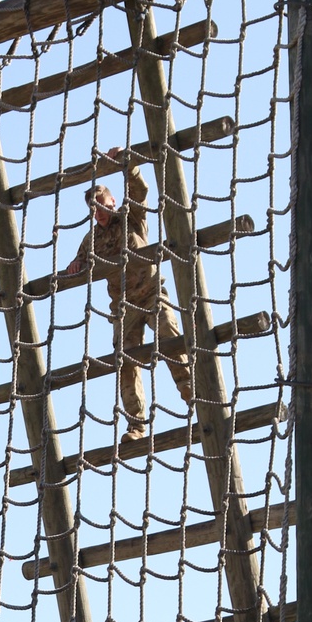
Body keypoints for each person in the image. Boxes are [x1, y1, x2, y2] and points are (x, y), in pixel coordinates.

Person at [64, 148, 191, 441]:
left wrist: (128, 164)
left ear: (112, 200)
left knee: (170, 337)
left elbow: (140, 190)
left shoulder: (129, 218)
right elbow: (79, 262)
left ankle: (191, 391)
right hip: (124, 306)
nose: (98, 211)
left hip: (151, 294)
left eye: (101, 203)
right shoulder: (91, 239)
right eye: (93, 209)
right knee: (125, 362)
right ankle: (136, 425)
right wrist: (76, 265)